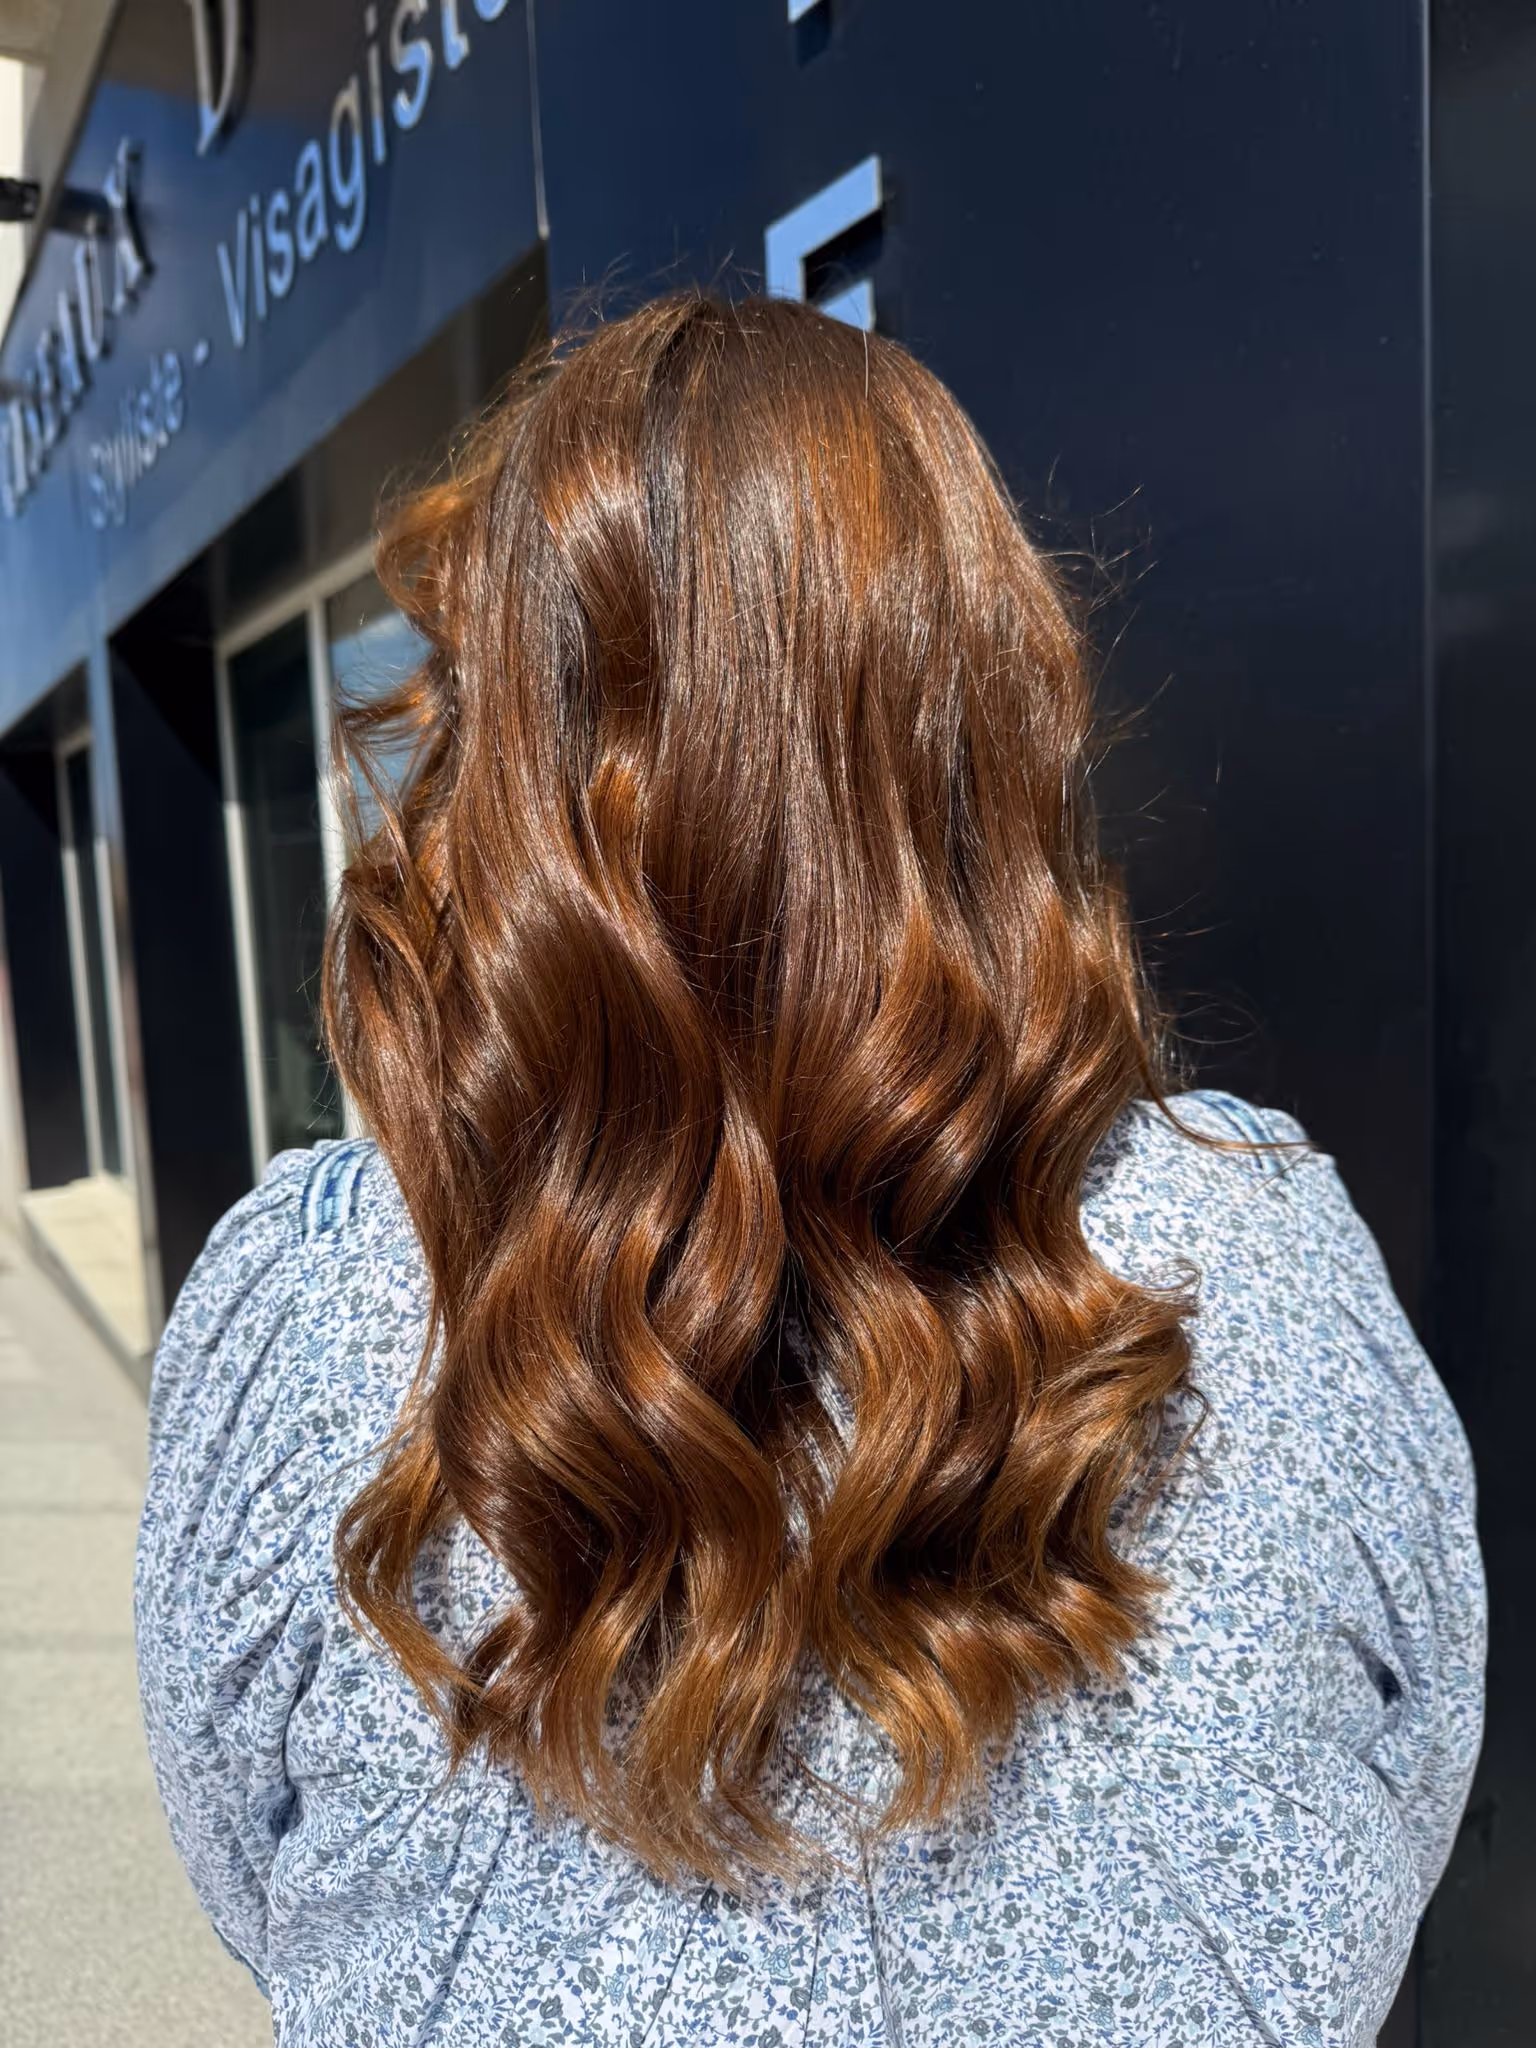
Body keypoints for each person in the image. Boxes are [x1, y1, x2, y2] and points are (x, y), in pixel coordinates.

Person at [134, 292, 1484, 2046]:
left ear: (511, 747)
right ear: (990, 715)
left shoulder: (317, 1303)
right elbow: (1400, 1782)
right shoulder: (1266, 1257)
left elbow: (259, 1876)